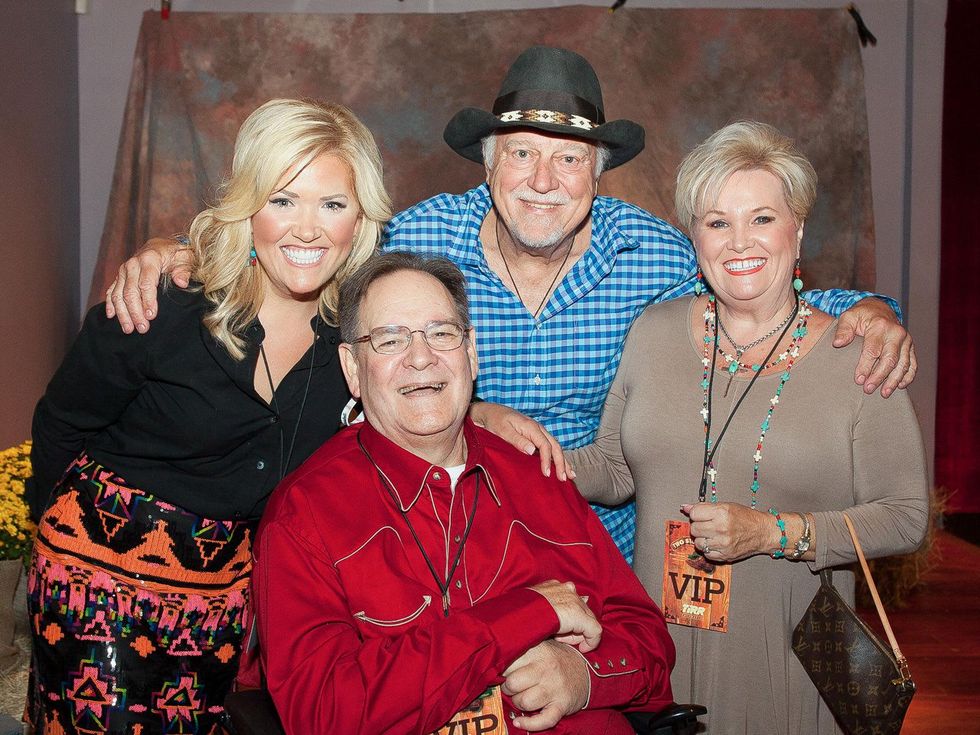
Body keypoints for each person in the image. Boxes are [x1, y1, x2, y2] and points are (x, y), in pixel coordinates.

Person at [102, 46, 916, 563]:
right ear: (488, 163)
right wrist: (184, 254)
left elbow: (755, 279)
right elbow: (304, 255)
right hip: (436, 552)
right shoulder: (420, 240)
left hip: (602, 553)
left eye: (568, 159)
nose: (541, 180)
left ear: (599, 173)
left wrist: (871, 308)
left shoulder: (655, 254)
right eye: (522, 153)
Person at [25, 98, 393, 734]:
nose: (307, 228)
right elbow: (62, 419)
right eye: (283, 200)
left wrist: (486, 413)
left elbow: (423, 386)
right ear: (248, 206)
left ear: (360, 218)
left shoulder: (357, 338)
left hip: (223, 599)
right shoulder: (164, 301)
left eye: (332, 204)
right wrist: (47, 550)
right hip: (96, 575)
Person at [568, 121, 929, 734]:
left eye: (762, 218)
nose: (739, 242)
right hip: (661, 647)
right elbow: (616, 468)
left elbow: (905, 516)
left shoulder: (859, 356)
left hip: (788, 653)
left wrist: (773, 532)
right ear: (695, 237)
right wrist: (512, 449)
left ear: (799, 229)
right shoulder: (653, 332)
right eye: (716, 222)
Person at [249, 252, 675, 735]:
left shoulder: (539, 475)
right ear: (352, 368)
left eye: (442, 333)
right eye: (390, 340)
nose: (420, 356)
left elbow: (649, 643)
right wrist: (523, 615)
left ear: (471, 352)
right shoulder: (304, 513)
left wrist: (583, 677)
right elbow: (322, 714)